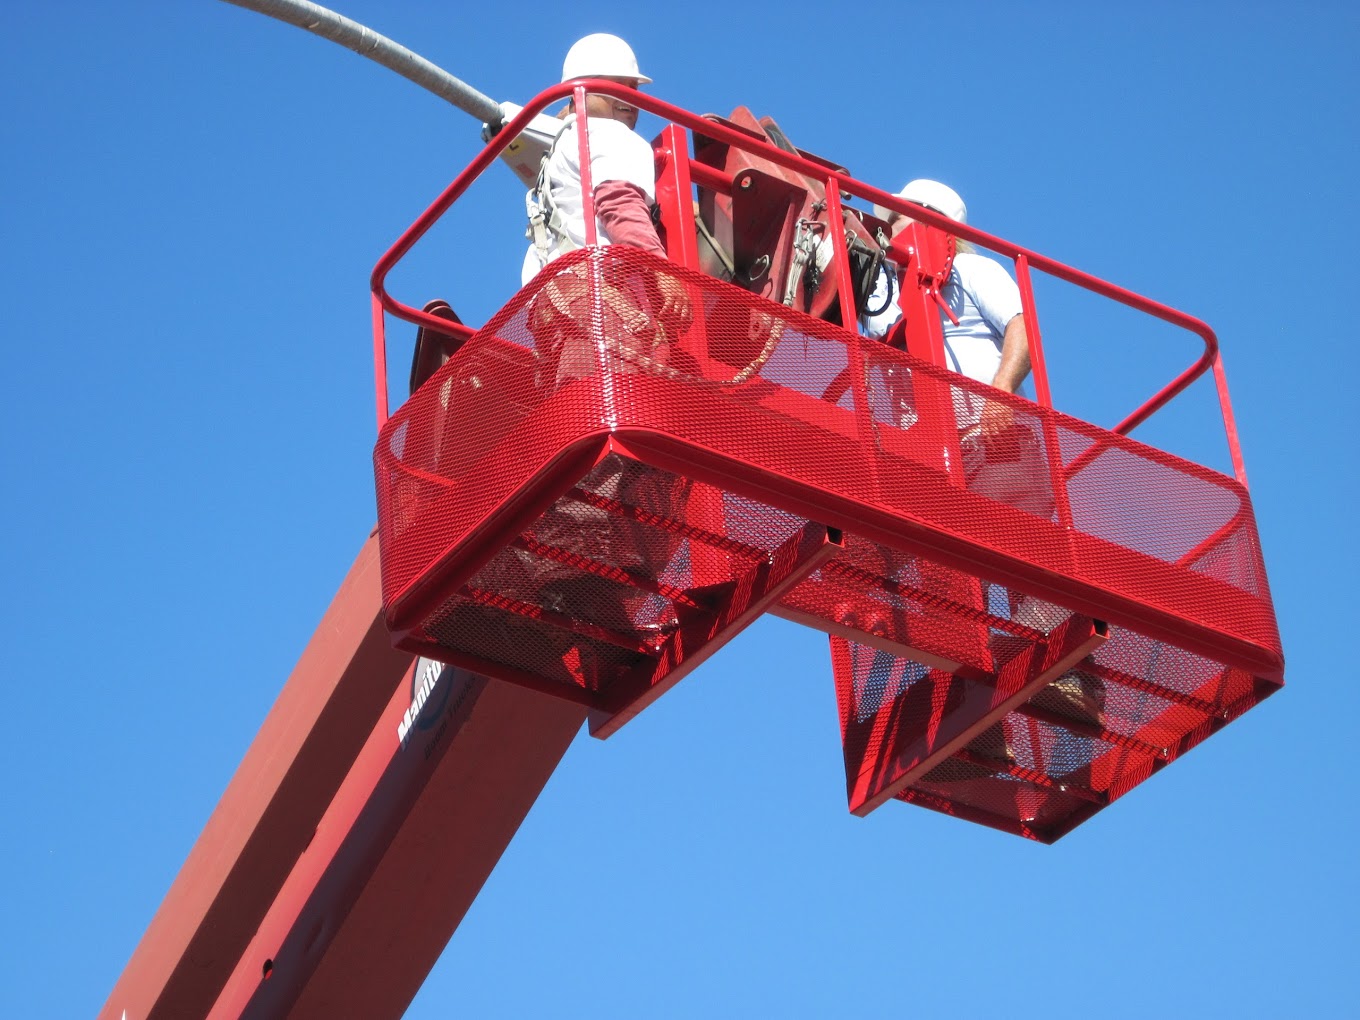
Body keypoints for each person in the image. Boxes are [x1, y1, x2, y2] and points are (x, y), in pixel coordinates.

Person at [859, 180, 1106, 773]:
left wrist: (1000, 395)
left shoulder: (976, 271)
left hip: (992, 440)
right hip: (930, 457)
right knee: (943, 584)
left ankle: (1067, 679)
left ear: (928, 218)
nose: (884, 232)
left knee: (1022, 551)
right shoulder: (886, 294)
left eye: (892, 220)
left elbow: (1024, 329)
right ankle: (976, 720)